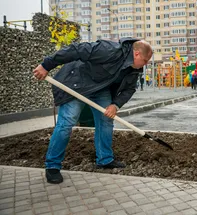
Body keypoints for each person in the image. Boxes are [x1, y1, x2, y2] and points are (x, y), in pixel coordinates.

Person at [33, 39, 153, 184]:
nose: (145, 64)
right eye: (145, 60)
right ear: (137, 53)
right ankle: (52, 166)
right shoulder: (110, 50)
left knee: (106, 120)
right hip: (78, 84)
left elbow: (129, 89)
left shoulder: (134, 68)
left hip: (100, 89)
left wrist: (115, 105)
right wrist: (46, 65)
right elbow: (76, 49)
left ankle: (105, 159)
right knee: (67, 122)